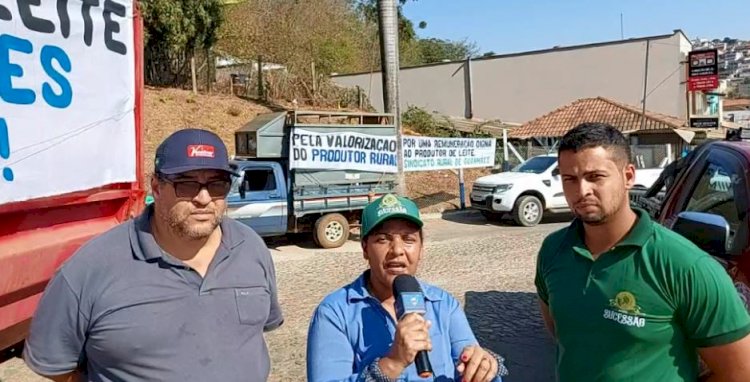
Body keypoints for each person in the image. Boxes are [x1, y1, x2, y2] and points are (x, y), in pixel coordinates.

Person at [23, 128, 283, 382]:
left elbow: (255, 336)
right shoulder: (90, 267)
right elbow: (53, 366)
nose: (204, 198)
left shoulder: (250, 247)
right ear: (156, 188)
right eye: (187, 184)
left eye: (217, 185)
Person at [534, 122, 750, 381]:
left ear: (628, 177)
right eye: (570, 179)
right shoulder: (553, 251)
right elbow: (565, 337)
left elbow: (740, 372)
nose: (582, 191)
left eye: (595, 177)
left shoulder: (685, 265)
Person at [306, 194, 508, 382]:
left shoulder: (444, 305)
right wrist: (391, 364)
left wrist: (483, 367)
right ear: (365, 248)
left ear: (421, 249)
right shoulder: (334, 313)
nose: (397, 250)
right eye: (383, 239)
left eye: (408, 239)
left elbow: (471, 360)